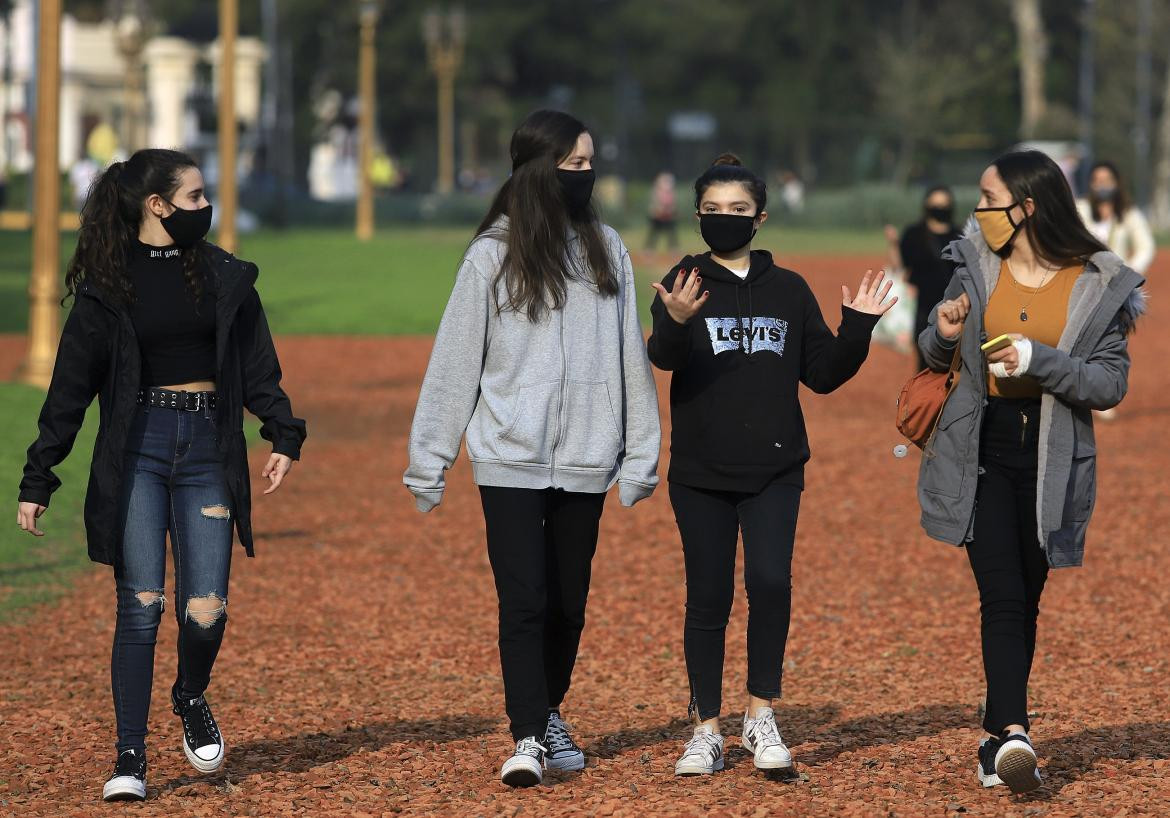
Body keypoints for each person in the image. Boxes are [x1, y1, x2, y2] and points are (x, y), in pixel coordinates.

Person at [16, 149, 306, 802]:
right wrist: (40, 478)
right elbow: (70, 391)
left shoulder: (227, 277)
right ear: (158, 205)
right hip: (138, 451)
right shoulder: (106, 288)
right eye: (197, 198)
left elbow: (258, 366)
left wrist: (281, 430)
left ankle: (190, 693)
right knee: (141, 604)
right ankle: (129, 756)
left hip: (207, 448)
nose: (208, 209)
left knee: (206, 609)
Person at [404, 110, 660, 788]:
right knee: (523, 597)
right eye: (572, 164)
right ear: (537, 170)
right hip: (508, 457)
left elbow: (629, 357)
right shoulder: (492, 253)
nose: (585, 175)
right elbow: (456, 362)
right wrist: (430, 460)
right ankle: (527, 735)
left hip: (586, 458)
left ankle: (546, 711)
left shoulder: (609, 248)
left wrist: (641, 454)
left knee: (567, 603)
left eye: (589, 164)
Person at [647, 154, 896, 778]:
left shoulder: (788, 289)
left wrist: (859, 328)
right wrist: (676, 323)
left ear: (759, 218)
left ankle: (760, 714)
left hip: (776, 469)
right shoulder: (683, 279)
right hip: (700, 471)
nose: (724, 219)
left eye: (737, 210)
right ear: (697, 214)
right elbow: (664, 357)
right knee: (708, 596)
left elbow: (824, 375)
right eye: (712, 210)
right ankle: (706, 727)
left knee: (770, 583)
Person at [917, 150, 1145, 794]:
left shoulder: (1098, 283)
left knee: (1028, 595)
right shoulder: (972, 266)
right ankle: (1015, 733)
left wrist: (1039, 361)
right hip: (978, 448)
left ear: (1029, 206)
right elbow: (935, 356)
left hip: (1051, 458)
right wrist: (942, 329)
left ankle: (995, 739)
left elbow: (1109, 383)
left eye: (989, 199)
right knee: (1003, 594)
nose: (978, 212)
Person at [896, 186, 962, 370]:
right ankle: (925, 398)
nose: (939, 208)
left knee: (954, 359)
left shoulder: (960, 235)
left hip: (953, 306)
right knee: (925, 358)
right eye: (935, 204)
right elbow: (901, 266)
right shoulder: (914, 234)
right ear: (927, 206)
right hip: (922, 306)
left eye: (944, 205)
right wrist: (893, 244)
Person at [1076, 161, 1154, 275]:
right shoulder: (1080, 209)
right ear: (1091, 184)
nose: (1102, 185)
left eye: (1107, 180)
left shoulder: (1128, 212)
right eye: (1098, 180)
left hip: (1116, 281)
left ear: (1116, 183)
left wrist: (1131, 271)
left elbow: (1146, 246)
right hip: (1085, 278)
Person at [646, 171, 679, 251]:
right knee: (654, 232)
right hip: (658, 215)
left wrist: (670, 211)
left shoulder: (671, 192)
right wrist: (659, 210)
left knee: (671, 232)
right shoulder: (657, 191)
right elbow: (655, 205)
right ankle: (649, 248)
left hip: (668, 215)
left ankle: (673, 248)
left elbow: (673, 204)